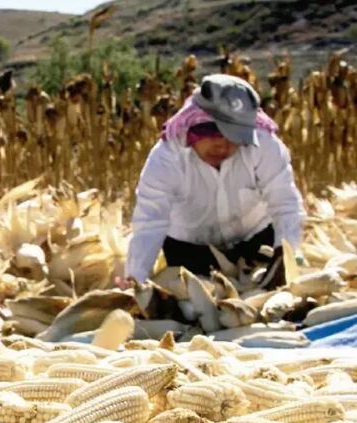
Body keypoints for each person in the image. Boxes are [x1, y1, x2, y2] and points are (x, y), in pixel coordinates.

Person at [123, 74, 305, 287]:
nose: (223, 145)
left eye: (234, 135)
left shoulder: (264, 146)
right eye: (214, 132)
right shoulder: (167, 158)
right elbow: (150, 221)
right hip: (190, 252)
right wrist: (136, 279)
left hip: (255, 243)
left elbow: (285, 204)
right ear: (194, 127)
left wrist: (286, 258)